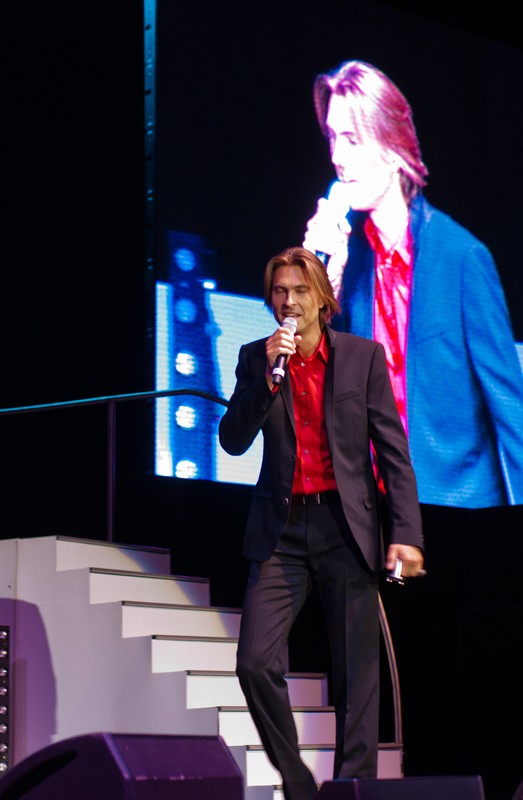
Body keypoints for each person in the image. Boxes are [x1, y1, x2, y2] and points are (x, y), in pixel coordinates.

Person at [218, 246, 424, 800]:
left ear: (322, 298)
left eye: (300, 290)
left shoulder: (362, 357)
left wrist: (406, 534)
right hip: (281, 530)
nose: (289, 301)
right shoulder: (255, 358)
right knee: (254, 662)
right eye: (280, 291)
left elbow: (394, 454)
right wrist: (266, 381)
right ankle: (298, 784)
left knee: (358, 676)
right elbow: (232, 440)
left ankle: (353, 790)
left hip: (345, 527)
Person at [303, 59, 523, 509]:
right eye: (332, 137)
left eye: (352, 138)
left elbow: (512, 413)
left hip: (457, 518)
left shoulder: (460, 258)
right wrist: (321, 287)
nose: (337, 156)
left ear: (392, 145)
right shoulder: (347, 261)